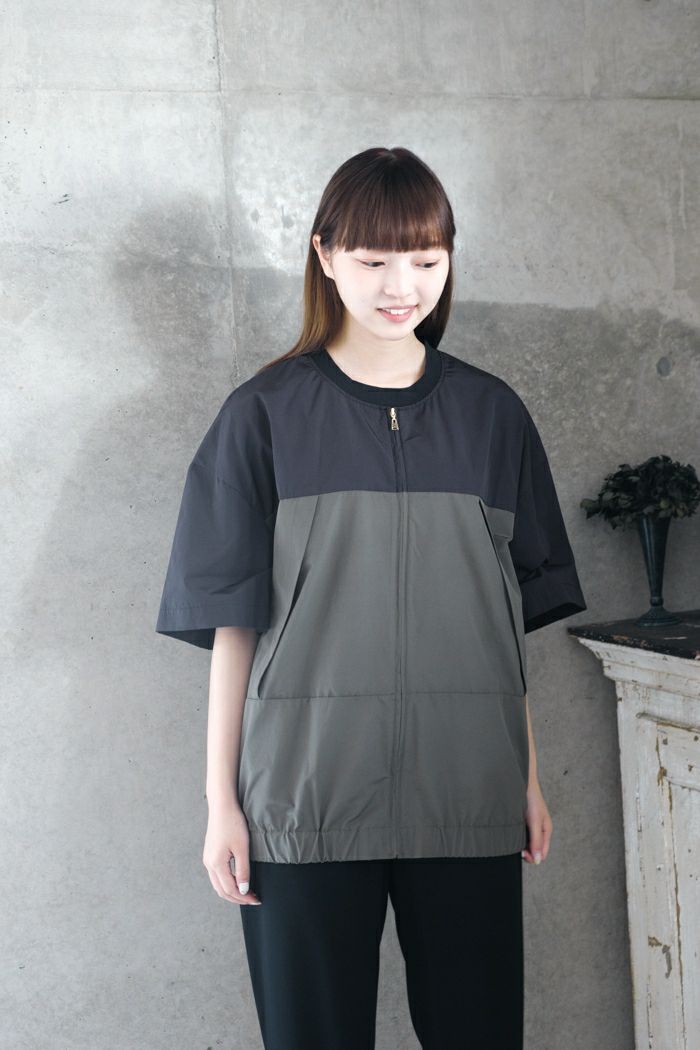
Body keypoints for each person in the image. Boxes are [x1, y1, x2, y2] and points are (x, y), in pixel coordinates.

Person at [155, 146, 587, 1050]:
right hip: (303, 801)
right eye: (375, 259)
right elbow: (235, 630)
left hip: (467, 789)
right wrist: (222, 804)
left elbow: (504, 621)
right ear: (324, 254)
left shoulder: (493, 416)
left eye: (427, 260)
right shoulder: (262, 416)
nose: (403, 287)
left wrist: (526, 778)